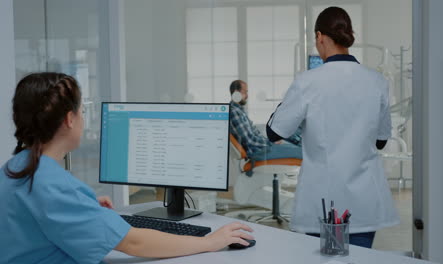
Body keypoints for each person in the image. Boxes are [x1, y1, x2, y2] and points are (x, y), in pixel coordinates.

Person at [0, 72, 254, 263]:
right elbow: (134, 243)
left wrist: (84, 207)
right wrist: (210, 242)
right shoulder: (52, 185)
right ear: (69, 119)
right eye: (81, 111)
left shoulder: (14, 168)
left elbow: (33, 220)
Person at [266, 7, 399, 248]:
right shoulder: (377, 81)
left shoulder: (308, 82)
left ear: (319, 36)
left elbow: (274, 132)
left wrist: (288, 102)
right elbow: (380, 140)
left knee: (330, 258)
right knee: (358, 258)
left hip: (325, 200)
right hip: (364, 200)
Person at [229, 80, 302, 169]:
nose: (247, 96)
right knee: (301, 152)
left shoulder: (239, 110)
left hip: (262, 148)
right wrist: (270, 143)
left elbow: (253, 136)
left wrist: (271, 141)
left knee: (292, 143)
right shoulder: (234, 112)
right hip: (259, 152)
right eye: (245, 92)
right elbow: (249, 141)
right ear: (236, 93)